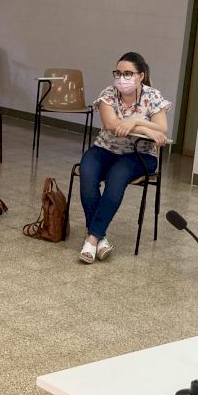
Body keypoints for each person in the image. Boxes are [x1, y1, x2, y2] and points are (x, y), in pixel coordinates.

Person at [76, 52, 170, 263]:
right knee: (87, 175)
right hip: (104, 149)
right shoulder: (108, 94)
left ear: (141, 76)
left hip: (140, 155)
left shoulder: (153, 96)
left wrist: (135, 121)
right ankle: (100, 238)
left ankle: (92, 238)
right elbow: (112, 125)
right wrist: (145, 128)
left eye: (128, 73)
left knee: (116, 178)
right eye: (118, 73)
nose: (122, 78)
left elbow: (162, 129)